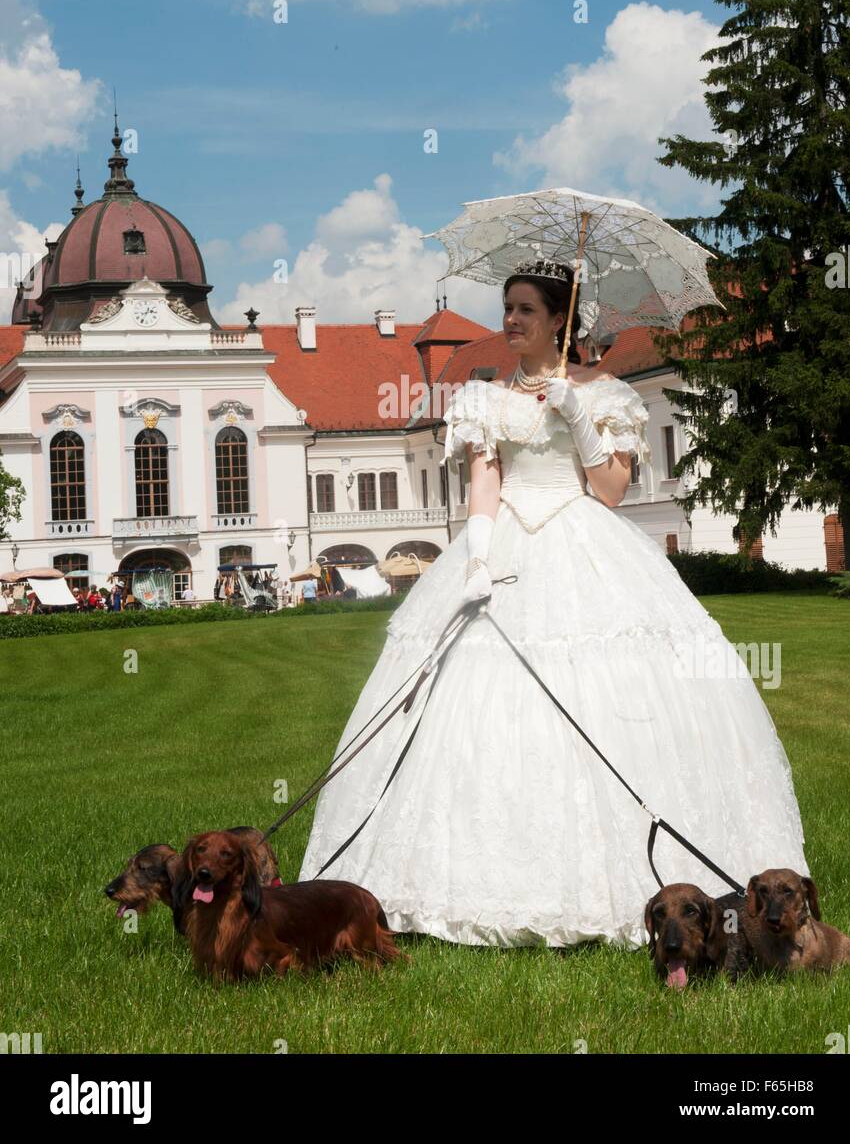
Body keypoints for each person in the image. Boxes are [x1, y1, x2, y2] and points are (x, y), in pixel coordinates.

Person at [298, 257, 810, 949]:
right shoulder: (485, 399)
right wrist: (478, 558)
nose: (510, 321)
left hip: (585, 539)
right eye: (507, 307)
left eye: (525, 311)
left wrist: (579, 414)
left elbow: (610, 492)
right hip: (504, 543)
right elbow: (484, 482)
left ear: (559, 321)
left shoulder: (604, 396)